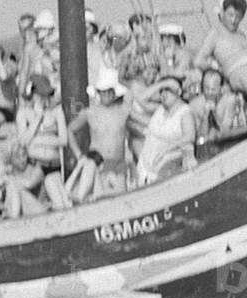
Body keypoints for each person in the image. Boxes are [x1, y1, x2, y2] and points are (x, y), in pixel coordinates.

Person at [192, 0, 247, 147]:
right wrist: (219, 69)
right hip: (233, 83)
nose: (233, 20)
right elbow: (199, 60)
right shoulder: (215, 34)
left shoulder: (245, 35)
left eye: (238, 16)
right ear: (222, 13)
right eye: (230, 15)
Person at [67, 67, 133, 200]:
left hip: (118, 163)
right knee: (94, 197)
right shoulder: (89, 112)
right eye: (103, 92)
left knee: (122, 195)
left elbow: (143, 122)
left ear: (114, 92)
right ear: (98, 93)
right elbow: (70, 130)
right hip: (97, 162)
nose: (107, 95)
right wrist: (79, 155)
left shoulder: (124, 110)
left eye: (109, 92)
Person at [136, 77, 196, 185]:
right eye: (162, 91)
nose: (164, 94)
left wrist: (166, 149)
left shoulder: (184, 112)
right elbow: (140, 99)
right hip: (145, 167)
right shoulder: (159, 108)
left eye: (168, 90)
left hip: (167, 169)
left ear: (178, 92)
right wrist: (162, 83)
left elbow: (190, 136)